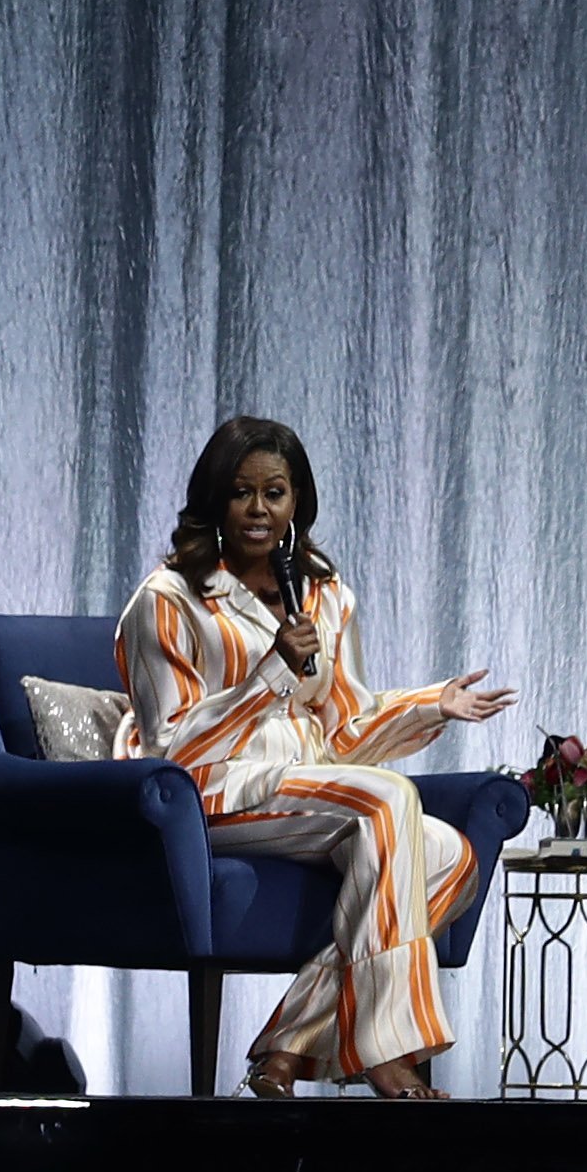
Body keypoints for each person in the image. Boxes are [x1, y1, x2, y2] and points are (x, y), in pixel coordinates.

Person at [113, 414, 516, 1098]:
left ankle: (287, 1049)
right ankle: (388, 1051)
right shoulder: (168, 599)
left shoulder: (323, 594)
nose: (258, 510)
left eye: (275, 492)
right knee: (387, 800)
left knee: (450, 858)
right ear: (216, 498)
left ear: (297, 499)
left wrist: (429, 704)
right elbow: (171, 747)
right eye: (242, 492)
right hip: (212, 791)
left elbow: (345, 732)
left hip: (309, 784)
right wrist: (270, 672)